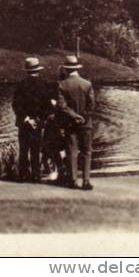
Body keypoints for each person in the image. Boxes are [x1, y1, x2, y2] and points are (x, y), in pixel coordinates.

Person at [56, 55, 96, 191]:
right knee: (86, 152)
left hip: (70, 123)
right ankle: (86, 181)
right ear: (77, 68)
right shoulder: (87, 84)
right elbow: (91, 105)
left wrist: (74, 116)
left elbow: (62, 106)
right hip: (86, 123)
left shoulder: (62, 85)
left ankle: (73, 180)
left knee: (72, 151)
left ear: (66, 69)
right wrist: (82, 117)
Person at [12, 56, 49, 182]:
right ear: (38, 70)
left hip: (24, 122)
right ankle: (36, 175)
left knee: (24, 149)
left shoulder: (21, 85)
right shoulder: (44, 85)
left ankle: (22, 175)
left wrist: (27, 119)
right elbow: (47, 106)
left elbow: (16, 105)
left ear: (27, 70)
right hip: (38, 122)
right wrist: (39, 119)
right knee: (35, 149)